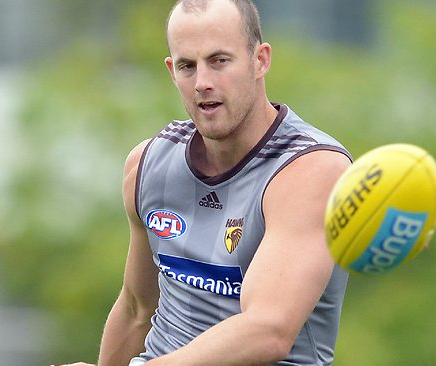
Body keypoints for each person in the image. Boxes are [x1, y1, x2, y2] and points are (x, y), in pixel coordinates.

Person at [57, 0, 352, 364]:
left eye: (219, 61)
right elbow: (136, 311)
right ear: (172, 71)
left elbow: (267, 330)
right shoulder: (148, 164)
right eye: (187, 66)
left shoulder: (311, 170)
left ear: (260, 60)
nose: (203, 83)